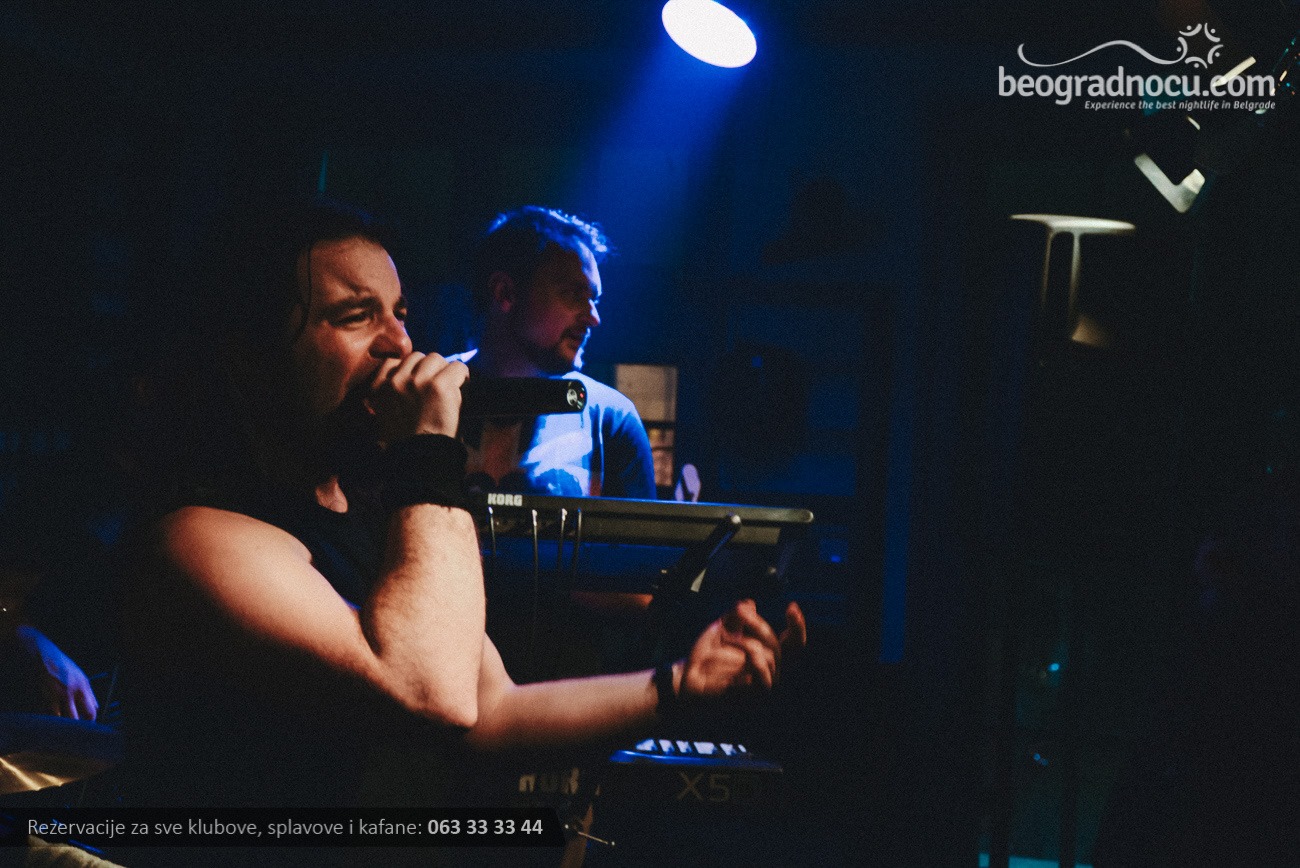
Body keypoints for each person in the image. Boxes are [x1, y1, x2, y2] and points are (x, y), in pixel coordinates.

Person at [123, 196, 805, 814]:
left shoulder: (366, 515)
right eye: (356, 315)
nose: (399, 343)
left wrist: (679, 685)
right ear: (255, 351)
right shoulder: (201, 539)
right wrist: (428, 455)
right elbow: (430, 695)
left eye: (399, 313)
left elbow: (493, 711)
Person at [452, 206, 655, 499]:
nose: (594, 318)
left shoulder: (612, 419)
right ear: (505, 293)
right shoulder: (424, 393)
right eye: (573, 294)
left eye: (594, 299)